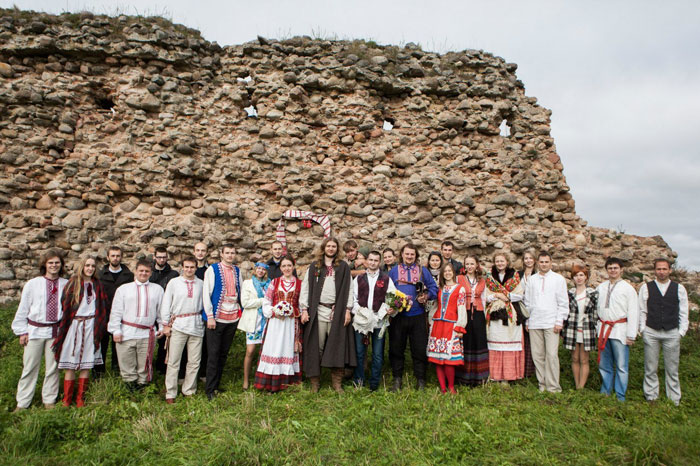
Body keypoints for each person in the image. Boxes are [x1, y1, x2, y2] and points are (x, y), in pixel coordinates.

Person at [12, 249, 68, 411]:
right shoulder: (33, 284)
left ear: (61, 265)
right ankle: (23, 403)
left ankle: (49, 400)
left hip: (55, 331)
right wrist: (22, 331)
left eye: (57, 263)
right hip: (35, 330)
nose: (54, 265)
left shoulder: (66, 284)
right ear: (45, 264)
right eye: (51, 262)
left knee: (53, 367)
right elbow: (23, 308)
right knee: (29, 367)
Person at [300, 237, 355, 393]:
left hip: (337, 312)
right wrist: (304, 309)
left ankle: (337, 383)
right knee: (316, 347)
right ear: (324, 248)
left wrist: (347, 310)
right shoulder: (315, 266)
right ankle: (315, 383)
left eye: (334, 246)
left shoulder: (343, 267)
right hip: (318, 312)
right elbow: (305, 288)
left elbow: (350, 289)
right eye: (328, 246)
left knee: (337, 346)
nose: (331, 249)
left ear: (337, 249)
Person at [53, 256, 108, 407]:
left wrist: (99, 326)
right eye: (87, 265)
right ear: (82, 266)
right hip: (74, 326)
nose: (90, 268)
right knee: (70, 364)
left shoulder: (97, 285)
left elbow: (102, 308)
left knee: (86, 364)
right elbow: (65, 305)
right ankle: (66, 399)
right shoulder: (73, 283)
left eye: (92, 266)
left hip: (91, 326)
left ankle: (80, 399)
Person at [387, 243, 438, 391]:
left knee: (419, 348)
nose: (409, 256)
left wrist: (426, 296)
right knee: (396, 347)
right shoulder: (394, 271)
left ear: (415, 256)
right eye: (407, 254)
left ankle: (421, 380)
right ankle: (397, 379)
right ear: (402, 254)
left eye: (412, 254)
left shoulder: (423, 271)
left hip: (418, 315)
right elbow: (387, 291)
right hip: (399, 316)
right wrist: (392, 304)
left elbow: (434, 288)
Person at [638, 258, 689, 405]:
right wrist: (643, 329)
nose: (661, 272)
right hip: (651, 331)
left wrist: (681, 332)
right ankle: (651, 396)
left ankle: (674, 399)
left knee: (672, 368)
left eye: (664, 269)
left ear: (670, 270)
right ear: (655, 270)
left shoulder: (679, 288)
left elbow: (683, 312)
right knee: (650, 366)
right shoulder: (646, 288)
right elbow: (642, 310)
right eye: (659, 269)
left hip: (672, 331)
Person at [108, 259, 164, 390]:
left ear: (151, 273)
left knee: (144, 362)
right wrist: (116, 330)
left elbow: (161, 311)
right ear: (135, 271)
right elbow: (116, 311)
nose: (144, 273)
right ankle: (129, 387)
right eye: (141, 271)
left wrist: (161, 326)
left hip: (146, 333)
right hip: (127, 331)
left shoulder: (157, 289)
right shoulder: (124, 289)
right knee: (127, 361)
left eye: (147, 271)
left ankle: (143, 386)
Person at [254, 255, 303, 392]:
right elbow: (266, 302)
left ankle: (286, 383)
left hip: (290, 324)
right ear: (280, 268)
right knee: (274, 349)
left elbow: (303, 305)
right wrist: (274, 311)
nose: (287, 268)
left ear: (293, 267)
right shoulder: (274, 282)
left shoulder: (300, 284)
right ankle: (270, 383)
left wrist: (291, 311)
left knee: (287, 349)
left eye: (289, 265)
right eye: (284, 266)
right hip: (275, 323)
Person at [523, 252, 569, 393]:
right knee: (538, 355)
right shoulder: (532, 280)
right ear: (538, 263)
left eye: (546, 262)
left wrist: (559, 321)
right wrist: (528, 321)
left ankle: (553, 386)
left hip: (551, 322)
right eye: (541, 262)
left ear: (551, 262)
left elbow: (563, 302)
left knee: (551, 355)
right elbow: (528, 302)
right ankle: (542, 384)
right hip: (535, 321)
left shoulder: (558, 279)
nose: (544, 264)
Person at [161, 256, 205, 403]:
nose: (189, 270)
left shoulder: (201, 284)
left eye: (192, 267)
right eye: (186, 267)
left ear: (196, 268)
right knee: (174, 360)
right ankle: (170, 392)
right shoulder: (174, 283)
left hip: (196, 324)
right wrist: (166, 324)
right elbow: (166, 303)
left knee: (194, 361)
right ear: (182, 267)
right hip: (179, 324)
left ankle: (189, 389)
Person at [351, 250, 396, 391]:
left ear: (379, 262)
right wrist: (361, 312)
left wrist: (387, 310)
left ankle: (374, 383)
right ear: (367, 261)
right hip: (362, 320)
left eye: (376, 260)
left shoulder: (386, 279)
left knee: (377, 354)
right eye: (370, 260)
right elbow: (353, 298)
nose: (372, 263)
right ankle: (359, 381)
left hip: (379, 321)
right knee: (359, 352)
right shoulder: (359, 279)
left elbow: (392, 298)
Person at [202, 243, 242, 400]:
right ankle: (210, 389)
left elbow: (240, 292)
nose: (230, 255)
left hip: (232, 318)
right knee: (213, 354)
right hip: (216, 318)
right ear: (222, 254)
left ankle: (216, 384)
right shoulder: (213, 270)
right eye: (227, 253)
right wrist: (210, 316)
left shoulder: (237, 271)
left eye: (233, 252)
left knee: (223, 354)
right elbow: (207, 293)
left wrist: (241, 313)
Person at [596, 257, 639, 401]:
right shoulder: (601, 287)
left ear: (621, 270)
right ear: (606, 270)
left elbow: (633, 312)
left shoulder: (628, 289)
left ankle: (620, 395)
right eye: (610, 268)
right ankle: (606, 391)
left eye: (615, 268)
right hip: (603, 329)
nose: (613, 270)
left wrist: (631, 335)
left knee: (621, 365)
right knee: (604, 364)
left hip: (620, 330)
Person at [485, 253, 526, 383]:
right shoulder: (490, 277)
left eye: (502, 261)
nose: (500, 263)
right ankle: (495, 375)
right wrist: (497, 295)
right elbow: (486, 296)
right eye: (497, 261)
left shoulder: (515, 277)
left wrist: (507, 295)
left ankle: (508, 377)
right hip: (495, 314)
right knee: (495, 343)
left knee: (509, 344)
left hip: (511, 315)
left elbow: (520, 295)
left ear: (507, 262)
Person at [428, 263, 467, 394]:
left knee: (449, 360)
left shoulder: (459, 289)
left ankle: (451, 387)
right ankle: (443, 388)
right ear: (442, 274)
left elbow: (461, 308)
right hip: (438, 325)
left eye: (450, 271)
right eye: (445, 271)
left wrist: (460, 326)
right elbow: (434, 306)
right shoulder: (439, 289)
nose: (448, 273)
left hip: (451, 325)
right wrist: (430, 320)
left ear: (453, 273)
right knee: (438, 359)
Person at [95, 245, 134, 376]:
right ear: (108, 257)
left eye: (118, 256)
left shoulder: (129, 275)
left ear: (121, 257)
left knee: (119, 344)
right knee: (102, 345)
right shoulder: (100, 275)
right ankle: (98, 373)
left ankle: (117, 372)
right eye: (113, 255)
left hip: (122, 315)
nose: (115, 258)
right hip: (104, 314)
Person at [562, 264, 598, 390]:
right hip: (572, 328)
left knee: (584, 359)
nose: (579, 278)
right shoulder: (569, 293)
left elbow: (595, 313)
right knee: (575, 358)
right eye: (576, 275)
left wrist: (595, 328)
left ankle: (581, 387)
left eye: (581, 275)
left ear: (586, 277)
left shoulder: (593, 293)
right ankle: (577, 384)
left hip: (587, 329)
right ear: (573, 278)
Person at [455, 255, 489, 387]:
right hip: (464, 313)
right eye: (467, 264)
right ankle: (463, 377)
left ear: (476, 265)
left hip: (479, 314)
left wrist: (485, 315)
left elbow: (485, 298)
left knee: (478, 342)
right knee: (466, 342)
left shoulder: (482, 280)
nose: (469, 266)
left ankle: (479, 377)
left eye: (472, 264)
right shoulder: (459, 279)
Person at [239, 262, 271, 390]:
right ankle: (246, 380)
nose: (261, 271)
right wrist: (262, 301)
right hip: (254, 321)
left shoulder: (270, 284)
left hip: (266, 320)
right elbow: (245, 303)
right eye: (259, 268)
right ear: (255, 269)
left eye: (263, 269)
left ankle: (262, 379)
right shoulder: (248, 283)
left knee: (265, 352)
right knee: (250, 351)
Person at [151, 246, 180, 374]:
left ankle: (162, 369)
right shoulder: (150, 273)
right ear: (154, 257)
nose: (162, 260)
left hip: (166, 310)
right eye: (159, 257)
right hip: (151, 310)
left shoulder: (173, 275)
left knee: (164, 342)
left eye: (164, 257)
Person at [519, 249, 537, 378]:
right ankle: (522, 369)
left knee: (533, 341)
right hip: (520, 309)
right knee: (522, 340)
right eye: (526, 258)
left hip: (534, 309)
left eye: (530, 258)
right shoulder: (518, 274)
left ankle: (532, 371)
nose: (528, 260)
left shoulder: (538, 274)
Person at [193, 242, 209, 379]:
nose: (200, 253)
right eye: (198, 250)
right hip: (191, 311)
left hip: (205, 312)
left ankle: (203, 373)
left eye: (203, 250)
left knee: (205, 345)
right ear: (194, 252)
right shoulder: (189, 269)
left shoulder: (209, 271)